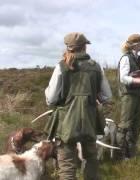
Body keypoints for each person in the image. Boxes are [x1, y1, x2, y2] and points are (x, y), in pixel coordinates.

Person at [44, 32, 112, 180]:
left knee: (67, 166)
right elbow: (107, 96)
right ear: (84, 47)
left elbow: (51, 98)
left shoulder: (61, 66)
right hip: (89, 120)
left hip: (65, 123)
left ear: (68, 48)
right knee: (91, 160)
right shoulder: (96, 67)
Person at [116, 34, 140, 160]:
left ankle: (131, 152)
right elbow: (123, 78)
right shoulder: (126, 58)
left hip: (138, 95)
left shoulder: (139, 59)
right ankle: (121, 153)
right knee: (125, 125)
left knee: (135, 125)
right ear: (136, 45)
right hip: (128, 96)